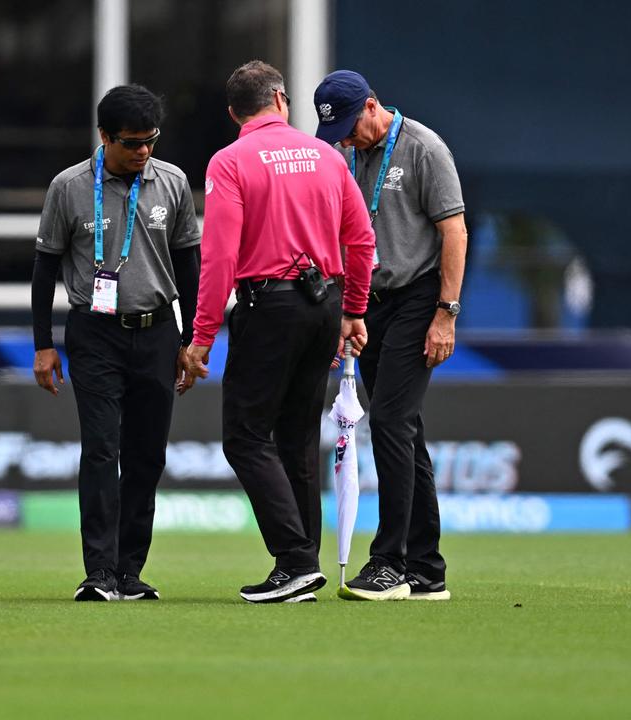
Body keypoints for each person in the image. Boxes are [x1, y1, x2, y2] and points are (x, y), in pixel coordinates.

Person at [184, 60, 375, 604]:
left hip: (268, 307)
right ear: (281, 99)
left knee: (245, 437)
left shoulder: (229, 161)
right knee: (294, 437)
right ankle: (305, 566)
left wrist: (201, 336)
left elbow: (218, 256)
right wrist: (354, 310)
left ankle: (293, 561)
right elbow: (361, 241)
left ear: (233, 113)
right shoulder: (326, 156)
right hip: (323, 305)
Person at [32, 84, 201, 602]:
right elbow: (44, 270)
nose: (143, 151)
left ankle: (131, 570)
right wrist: (42, 345)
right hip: (94, 333)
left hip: (157, 332)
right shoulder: (69, 187)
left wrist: (192, 339)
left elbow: (191, 267)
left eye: (151, 140)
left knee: (146, 455)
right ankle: (99, 572)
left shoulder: (172, 182)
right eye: (132, 143)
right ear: (104, 137)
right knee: (102, 450)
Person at [314, 70, 466, 602]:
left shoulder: (424, 148)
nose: (346, 140)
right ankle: (428, 569)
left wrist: (445, 313)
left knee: (393, 422)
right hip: (367, 303)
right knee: (406, 432)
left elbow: (454, 230)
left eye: (351, 127)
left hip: (418, 298)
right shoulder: (347, 156)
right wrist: (343, 309)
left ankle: (390, 564)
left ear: (373, 105)